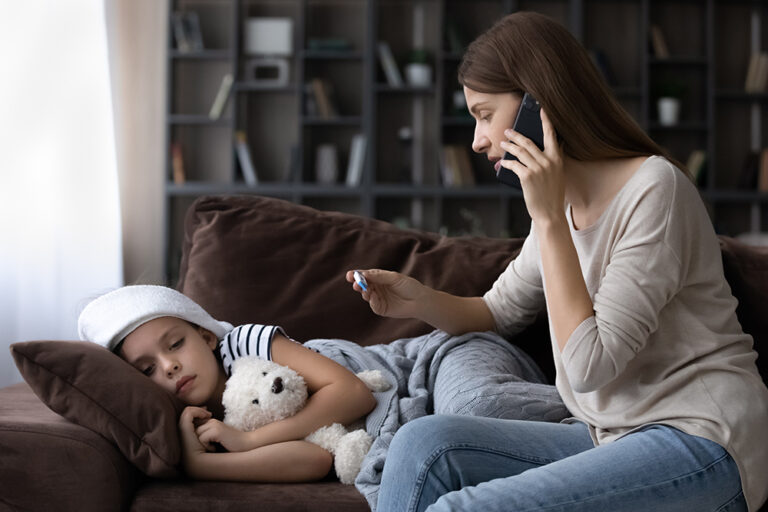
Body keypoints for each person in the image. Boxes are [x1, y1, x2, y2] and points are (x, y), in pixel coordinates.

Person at [351, 11, 768, 512]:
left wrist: (548, 220)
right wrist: (416, 298)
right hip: (611, 433)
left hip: (703, 439)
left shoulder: (655, 190)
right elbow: (496, 311)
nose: (477, 139)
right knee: (420, 444)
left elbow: (590, 366)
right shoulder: (563, 205)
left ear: (536, 106)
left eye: (485, 114)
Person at [77, 283, 565, 497]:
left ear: (206, 335)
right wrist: (203, 462)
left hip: (437, 361)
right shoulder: (211, 422)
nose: (169, 366)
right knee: (460, 443)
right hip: (429, 411)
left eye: (176, 343)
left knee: (480, 408)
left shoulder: (247, 344)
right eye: (146, 369)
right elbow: (313, 460)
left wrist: (245, 443)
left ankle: (623, 423)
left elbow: (352, 393)